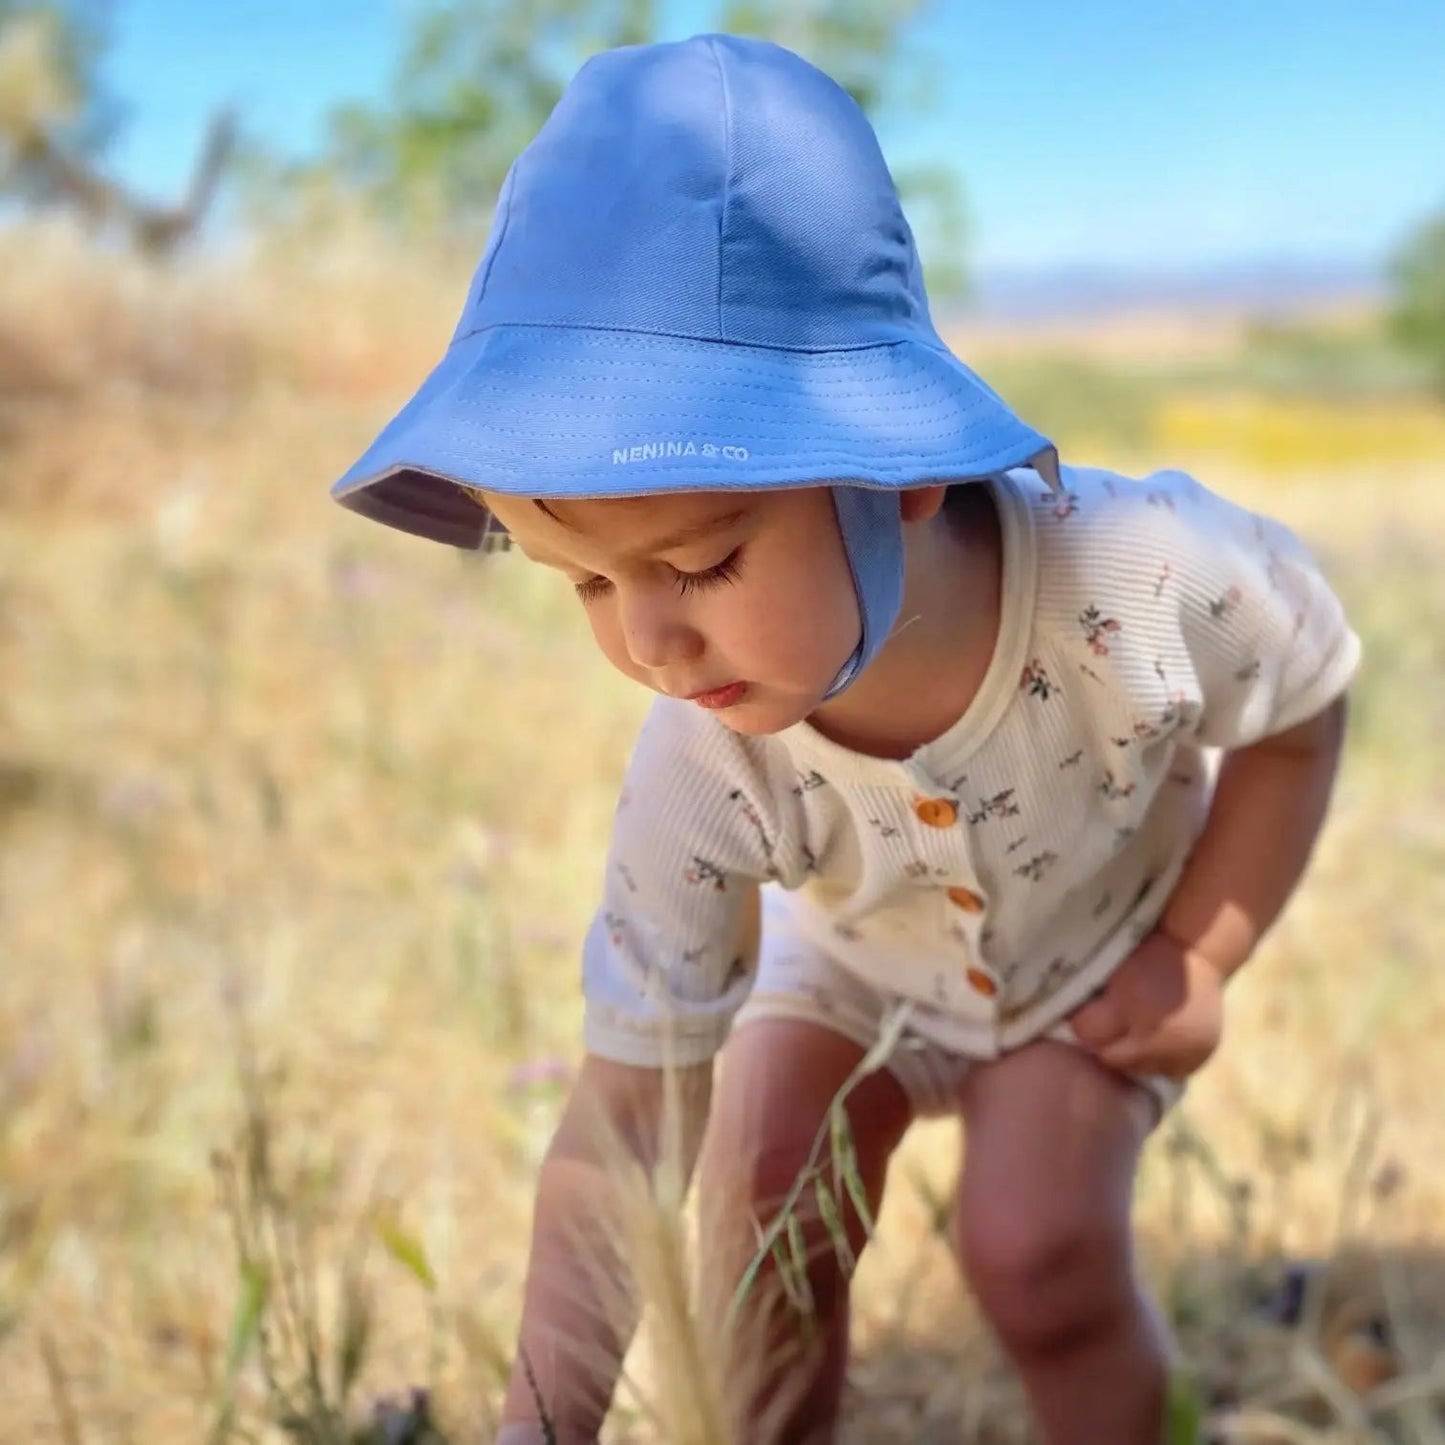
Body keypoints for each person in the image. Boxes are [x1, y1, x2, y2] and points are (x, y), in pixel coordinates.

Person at [329, 34, 1360, 1445]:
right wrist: (541, 1426)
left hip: (1091, 965)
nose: (649, 643)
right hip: (848, 971)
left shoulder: (1142, 577)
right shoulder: (704, 760)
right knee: (756, 1241)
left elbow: (1304, 701)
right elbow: (623, 1124)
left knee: (1037, 1252)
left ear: (901, 467)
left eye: (698, 562)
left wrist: (1199, 951)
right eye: (584, 583)